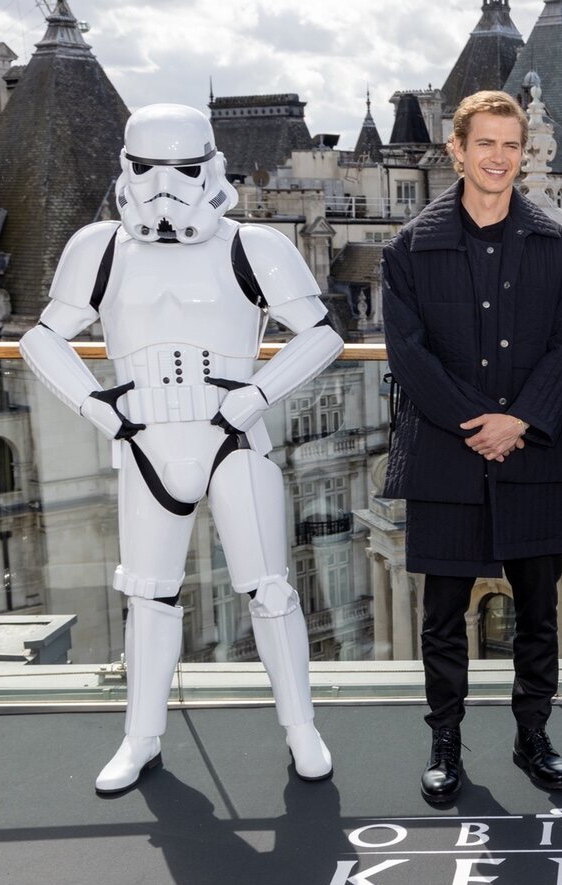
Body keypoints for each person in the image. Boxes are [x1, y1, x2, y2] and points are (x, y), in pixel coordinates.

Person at [18, 104, 343, 795]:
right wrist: (99, 409)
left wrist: (254, 397)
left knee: (272, 588)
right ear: (128, 168)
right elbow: (42, 337)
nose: (166, 187)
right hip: (145, 441)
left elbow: (321, 334)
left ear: (211, 167)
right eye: (149, 169)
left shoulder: (253, 246)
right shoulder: (99, 247)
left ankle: (301, 726)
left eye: (184, 169)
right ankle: (140, 735)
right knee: (149, 594)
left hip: (230, 436)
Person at [381, 90, 562, 806]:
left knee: (538, 613)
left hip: (530, 453)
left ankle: (533, 735)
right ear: (457, 150)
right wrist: (483, 421)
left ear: (523, 152)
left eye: (512, 145)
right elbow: (408, 355)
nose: (500, 158)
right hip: (446, 453)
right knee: (442, 616)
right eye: (487, 144)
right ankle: (445, 741)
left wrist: (520, 422)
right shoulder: (408, 245)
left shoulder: (558, 245)